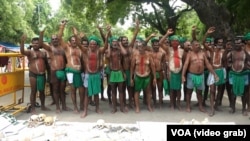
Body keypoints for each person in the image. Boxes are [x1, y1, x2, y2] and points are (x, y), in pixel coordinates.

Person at [77, 27, 110, 118]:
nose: (92, 45)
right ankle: (85, 111)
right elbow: (79, 45)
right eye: (91, 44)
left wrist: (106, 35)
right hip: (88, 75)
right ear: (89, 44)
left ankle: (97, 108)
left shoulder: (99, 51)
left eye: (94, 44)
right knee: (87, 93)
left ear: (96, 45)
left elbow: (106, 45)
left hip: (96, 74)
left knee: (96, 93)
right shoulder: (86, 51)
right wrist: (77, 35)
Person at [38, 22, 70, 113]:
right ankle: (57, 108)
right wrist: (41, 33)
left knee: (62, 90)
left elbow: (60, 36)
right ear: (51, 40)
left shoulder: (62, 47)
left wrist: (62, 27)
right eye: (53, 39)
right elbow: (40, 43)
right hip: (54, 71)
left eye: (56, 39)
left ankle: (64, 106)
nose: (55, 40)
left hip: (62, 71)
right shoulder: (50, 48)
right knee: (55, 90)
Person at [182, 40, 219, 114]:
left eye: (198, 44)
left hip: (200, 75)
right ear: (192, 46)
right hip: (191, 75)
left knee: (199, 92)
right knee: (189, 91)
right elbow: (185, 64)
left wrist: (214, 74)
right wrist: (182, 75)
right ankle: (188, 106)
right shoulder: (190, 54)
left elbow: (208, 64)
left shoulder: (202, 54)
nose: (198, 46)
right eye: (196, 45)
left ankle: (200, 106)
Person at [20, 34, 50, 114]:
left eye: (37, 43)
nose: (36, 44)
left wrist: (49, 75)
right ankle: (33, 108)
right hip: (33, 74)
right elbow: (22, 51)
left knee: (42, 91)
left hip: (42, 74)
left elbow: (47, 64)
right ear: (31, 44)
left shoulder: (43, 53)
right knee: (33, 91)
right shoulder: (30, 52)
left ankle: (43, 106)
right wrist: (22, 41)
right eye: (34, 43)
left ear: (39, 44)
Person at [59, 21, 84, 114]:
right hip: (70, 71)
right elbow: (59, 38)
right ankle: (75, 107)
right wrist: (62, 26)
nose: (74, 42)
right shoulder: (67, 48)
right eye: (72, 40)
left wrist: (76, 34)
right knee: (73, 89)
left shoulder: (80, 49)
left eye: (75, 40)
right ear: (69, 42)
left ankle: (81, 105)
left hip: (79, 72)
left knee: (81, 90)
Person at [203, 27, 226, 116]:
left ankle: (216, 105)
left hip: (221, 71)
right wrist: (207, 33)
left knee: (220, 90)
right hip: (213, 72)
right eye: (219, 42)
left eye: (221, 42)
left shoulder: (223, 51)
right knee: (212, 90)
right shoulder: (211, 50)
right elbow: (203, 42)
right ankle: (212, 109)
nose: (220, 44)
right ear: (216, 43)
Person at [130, 40, 156, 113]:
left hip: (147, 76)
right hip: (138, 76)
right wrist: (131, 78)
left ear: (145, 47)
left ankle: (149, 106)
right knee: (137, 91)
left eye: (141, 46)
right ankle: (137, 107)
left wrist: (154, 78)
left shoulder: (149, 55)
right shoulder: (135, 54)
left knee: (148, 92)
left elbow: (153, 66)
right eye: (138, 46)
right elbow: (132, 67)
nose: (139, 48)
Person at [227, 37, 249, 116]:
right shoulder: (231, 52)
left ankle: (243, 108)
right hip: (233, 74)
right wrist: (230, 65)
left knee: (244, 92)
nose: (237, 45)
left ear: (242, 44)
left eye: (239, 43)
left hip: (243, 74)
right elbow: (226, 60)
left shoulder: (245, 52)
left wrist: (246, 66)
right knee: (233, 92)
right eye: (236, 43)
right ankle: (233, 107)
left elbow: (248, 60)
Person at [106, 37, 128, 113]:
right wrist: (109, 45)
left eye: (116, 42)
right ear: (111, 43)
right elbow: (108, 56)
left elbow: (125, 53)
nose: (115, 43)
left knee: (121, 91)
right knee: (113, 91)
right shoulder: (109, 51)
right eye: (113, 42)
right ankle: (114, 107)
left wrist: (120, 44)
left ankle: (122, 107)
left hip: (119, 72)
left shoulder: (119, 51)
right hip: (112, 72)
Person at [151, 38, 166, 108]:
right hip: (152, 73)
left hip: (159, 72)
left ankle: (160, 102)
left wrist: (165, 74)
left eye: (157, 45)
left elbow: (164, 63)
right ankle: (154, 102)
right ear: (152, 45)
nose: (156, 46)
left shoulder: (162, 53)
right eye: (155, 45)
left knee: (160, 88)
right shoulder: (150, 53)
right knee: (153, 88)